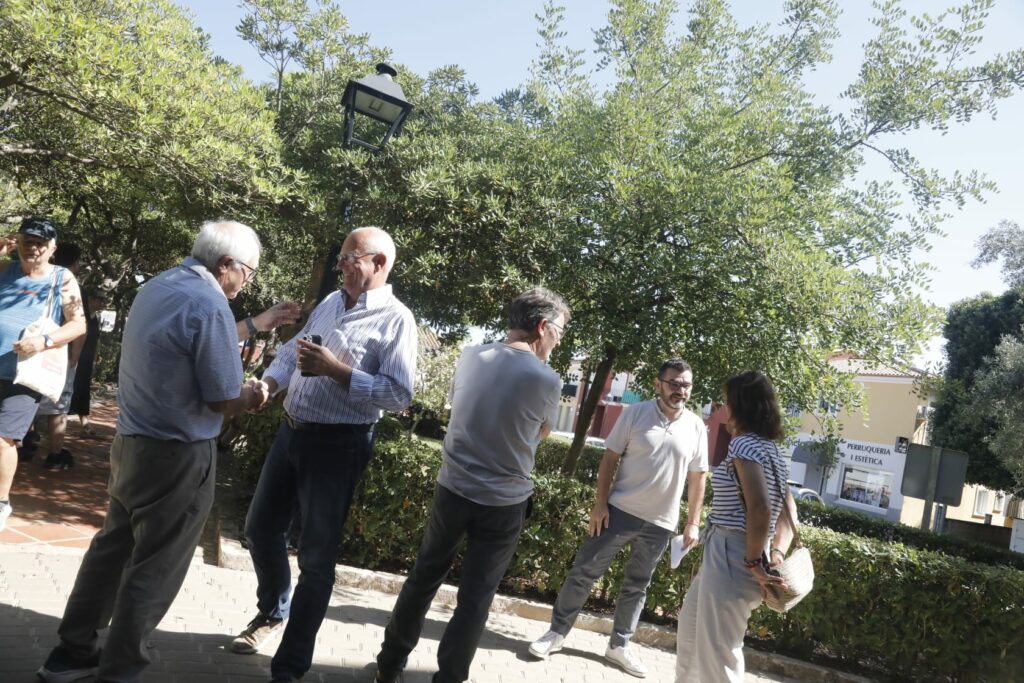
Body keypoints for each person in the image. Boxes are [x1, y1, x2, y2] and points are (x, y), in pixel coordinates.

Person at [37, 220, 296, 683]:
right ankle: (120, 670)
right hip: (178, 456)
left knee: (110, 552)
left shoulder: (159, 286)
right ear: (226, 264)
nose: (248, 281)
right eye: (249, 272)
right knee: (154, 569)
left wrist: (257, 324)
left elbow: (192, 341)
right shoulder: (210, 303)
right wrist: (255, 394)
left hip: (131, 445)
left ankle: (71, 652)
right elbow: (222, 398)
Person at [232, 226, 418, 683]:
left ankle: (290, 666)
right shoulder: (333, 302)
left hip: (339, 446)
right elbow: (292, 354)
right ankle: (273, 611)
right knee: (259, 529)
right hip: (291, 432)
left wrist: (339, 372)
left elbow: (399, 394)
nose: (340, 267)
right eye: (340, 259)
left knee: (316, 560)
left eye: (349, 259)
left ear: (379, 263)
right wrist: (269, 385)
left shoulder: (397, 320)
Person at [374, 287, 569, 683]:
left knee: (424, 576)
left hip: (453, 488)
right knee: (476, 598)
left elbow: (460, 408)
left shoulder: (470, 355)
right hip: (504, 502)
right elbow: (543, 431)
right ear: (542, 327)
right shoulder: (547, 379)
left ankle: (388, 666)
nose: (560, 340)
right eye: (559, 331)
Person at [528, 358, 708, 678]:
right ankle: (556, 633)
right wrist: (601, 504)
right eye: (674, 384)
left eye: (686, 385)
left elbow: (698, 477)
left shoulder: (696, 426)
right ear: (658, 384)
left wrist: (693, 522)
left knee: (637, 586)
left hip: (661, 522)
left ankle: (619, 646)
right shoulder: (635, 413)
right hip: (619, 512)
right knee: (584, 572)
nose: (681, 390)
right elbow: (609, 458)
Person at [675, 371, 798, 683]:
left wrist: (754, 562)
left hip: (733, 554)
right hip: (737, 552)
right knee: (691, 634)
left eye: (727, 401)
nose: (724, 408)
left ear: (740, 406)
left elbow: (760, 507)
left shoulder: (743, 445)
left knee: (719, 655)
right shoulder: (771, 450)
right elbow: (788, 514)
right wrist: (775, 556)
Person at [0, 217, 86, 530]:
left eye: (40, 243)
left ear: (52, 248)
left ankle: (1, 502)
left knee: (4, 439)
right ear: (18, 242)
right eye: (28, 241)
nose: (33, 248)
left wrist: (44, 341)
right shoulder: (4, 269)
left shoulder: (61, 278)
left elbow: (78, 324)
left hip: (25, 373)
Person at [36, 243, 88, 470]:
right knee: (57, 405)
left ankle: (26, 443)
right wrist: (74, 358)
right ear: (75, 262)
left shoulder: (40, 279)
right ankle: (55, 454)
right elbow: (80, 327)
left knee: (28, 396)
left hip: (33, 349)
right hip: (59, 354)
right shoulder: (71, 285)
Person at [68, 289, 104, 436]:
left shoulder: (96, 319)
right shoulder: (81, 316)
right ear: (91, 299)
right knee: (69, 387)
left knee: (83, 389)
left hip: (87, 360)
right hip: (74, 358)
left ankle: (84, 422)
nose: (103, 303)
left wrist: (94, 359)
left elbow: (96, 341)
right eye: (100, 299)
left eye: (105, 300)